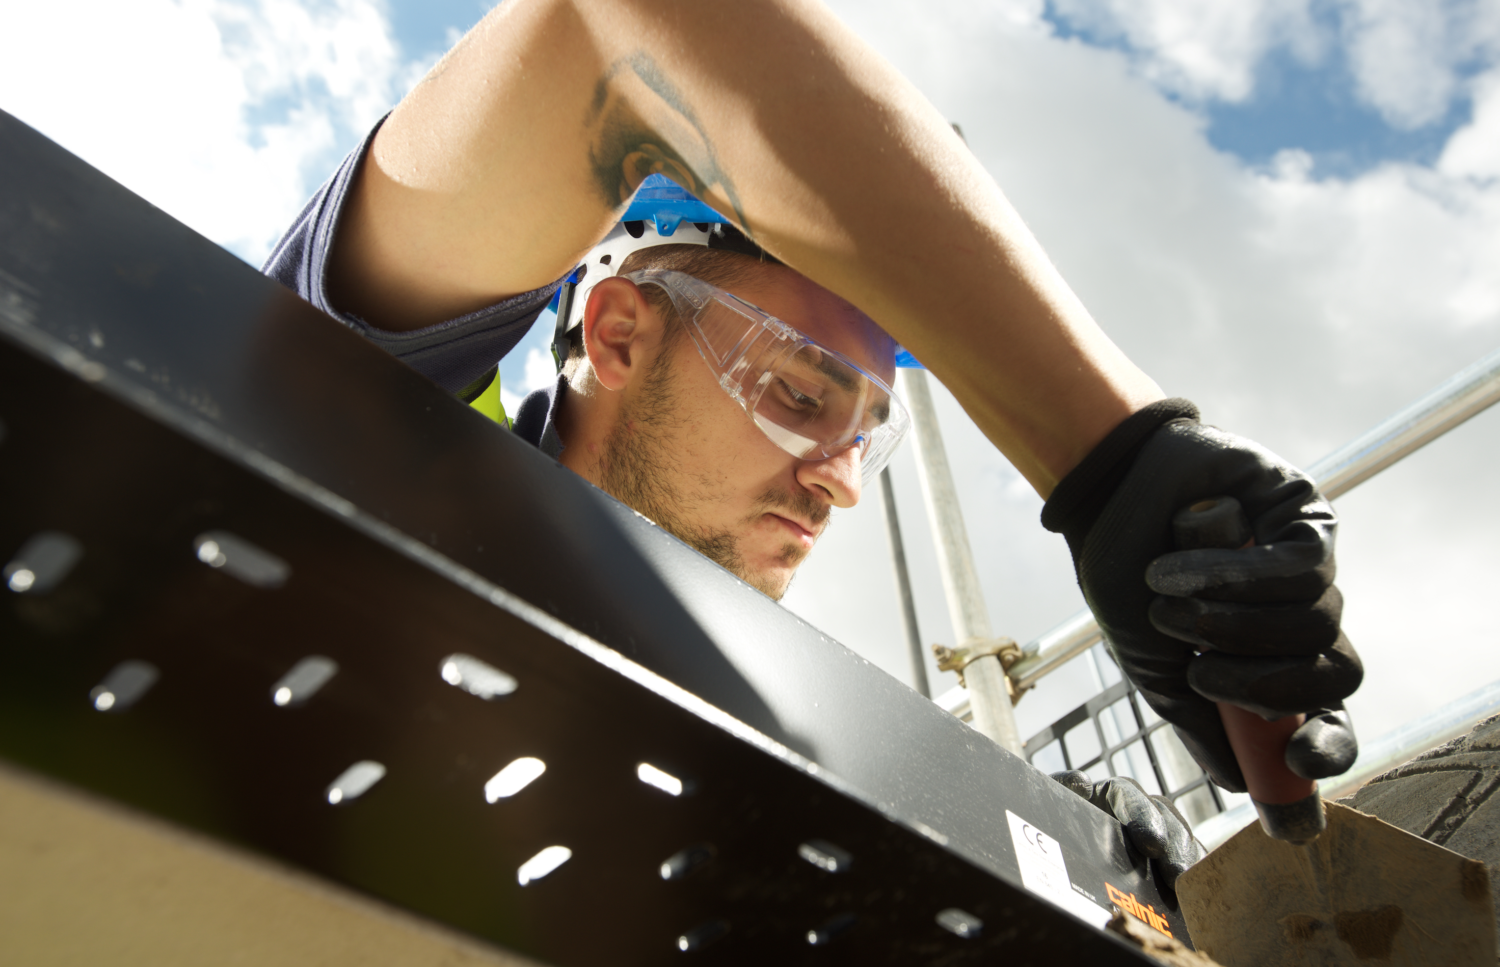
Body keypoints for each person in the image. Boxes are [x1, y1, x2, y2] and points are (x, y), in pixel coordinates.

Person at [264, 0, 1362, 902]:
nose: (837, 478)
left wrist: (1077, 889)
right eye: (797, 392)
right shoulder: (379, 424)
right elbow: (611, 28)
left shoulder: (759, 761)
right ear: (617, 331)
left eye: (864, 436)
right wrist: (1116, 457)